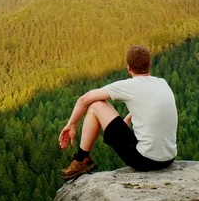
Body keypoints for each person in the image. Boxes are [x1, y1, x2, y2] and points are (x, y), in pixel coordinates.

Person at [59, 45, 177, 179]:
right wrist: (124, 123)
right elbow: (153, 108)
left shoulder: (130, 85)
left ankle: (82, 159)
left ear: (128, 67)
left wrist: (72, 125)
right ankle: (82, 159)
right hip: (169, 158)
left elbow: (84, 100)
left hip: (145, 161)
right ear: (150, 64)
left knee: (95, 105)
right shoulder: (162, 83)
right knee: (98, 105)